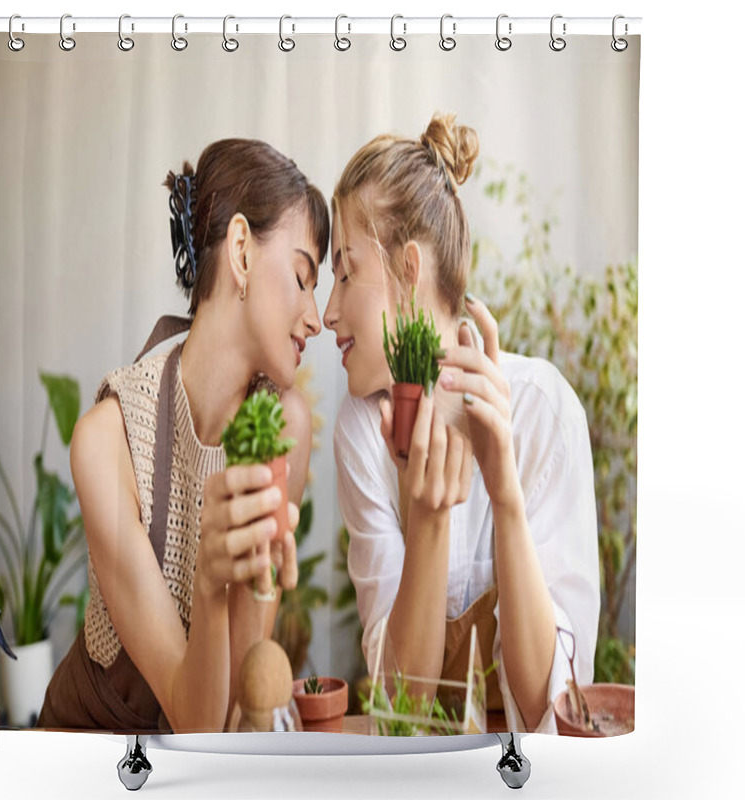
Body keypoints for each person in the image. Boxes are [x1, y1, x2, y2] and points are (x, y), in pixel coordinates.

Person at [38, 138, 328, 733]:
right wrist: (209, 577)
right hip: (87, 755)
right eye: (303, 278)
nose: (316, 317)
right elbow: (193, 717)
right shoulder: (108, 439)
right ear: (242, 252)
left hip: (198, 767)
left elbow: (227, 718)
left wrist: (243, 577)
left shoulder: (284, 427)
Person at [323, 114, 600, 733]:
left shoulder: (543, 409)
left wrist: (505, 495)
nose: (327, 311)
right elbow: (401, 708)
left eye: (346, 272)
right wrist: (427, 523)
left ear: (409, 270)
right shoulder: (362, 430)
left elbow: (546, 711)